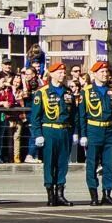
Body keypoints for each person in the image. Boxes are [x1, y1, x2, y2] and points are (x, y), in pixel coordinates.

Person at [29, 62, 77, 206]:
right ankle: (50, 193)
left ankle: (60, 193)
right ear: (51, 74)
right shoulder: (42, 92)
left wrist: (74, 132)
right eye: (59, 73)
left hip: (64, 130)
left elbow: (73, 115)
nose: (62, 75)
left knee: (63, 163)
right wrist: (38, 134)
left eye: (63, 73)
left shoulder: (68, 92)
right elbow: (35, 116)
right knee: (49, 163)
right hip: (49, 130)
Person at [79, 61, 112, 206]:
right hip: (93, 129)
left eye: (106, 72)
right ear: (94, 73)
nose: (105, 74)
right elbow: (82, 115)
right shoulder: (86, 91)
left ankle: (107, 193)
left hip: (109, 130)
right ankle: (93, 194)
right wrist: (83, 134)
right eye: (102, 72)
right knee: (92, 163)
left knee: (109, 163)